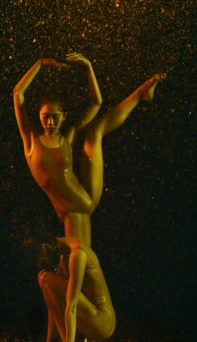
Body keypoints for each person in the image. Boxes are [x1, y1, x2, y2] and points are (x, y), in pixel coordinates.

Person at [13, 55, 165, 246]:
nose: (50, 122)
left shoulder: (67, 137)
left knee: (95, 131)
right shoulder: (31, 140)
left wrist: (89, 68)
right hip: (71, 208)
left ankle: (141, 92)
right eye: (45, 117)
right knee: (79, 253)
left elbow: (97, 103)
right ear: (39, 115)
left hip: (81, 201)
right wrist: (39, 63)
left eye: (55, 117)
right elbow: (17, 93)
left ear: (63, 116)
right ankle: (142, 93)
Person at [37, 236, 116, 342]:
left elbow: (72, 306)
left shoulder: (78, 254)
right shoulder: (65, 254)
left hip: (102, 322)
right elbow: (53, 306)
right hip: (92, 318)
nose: (54, 268)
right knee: (44, 278)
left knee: (44, 277)